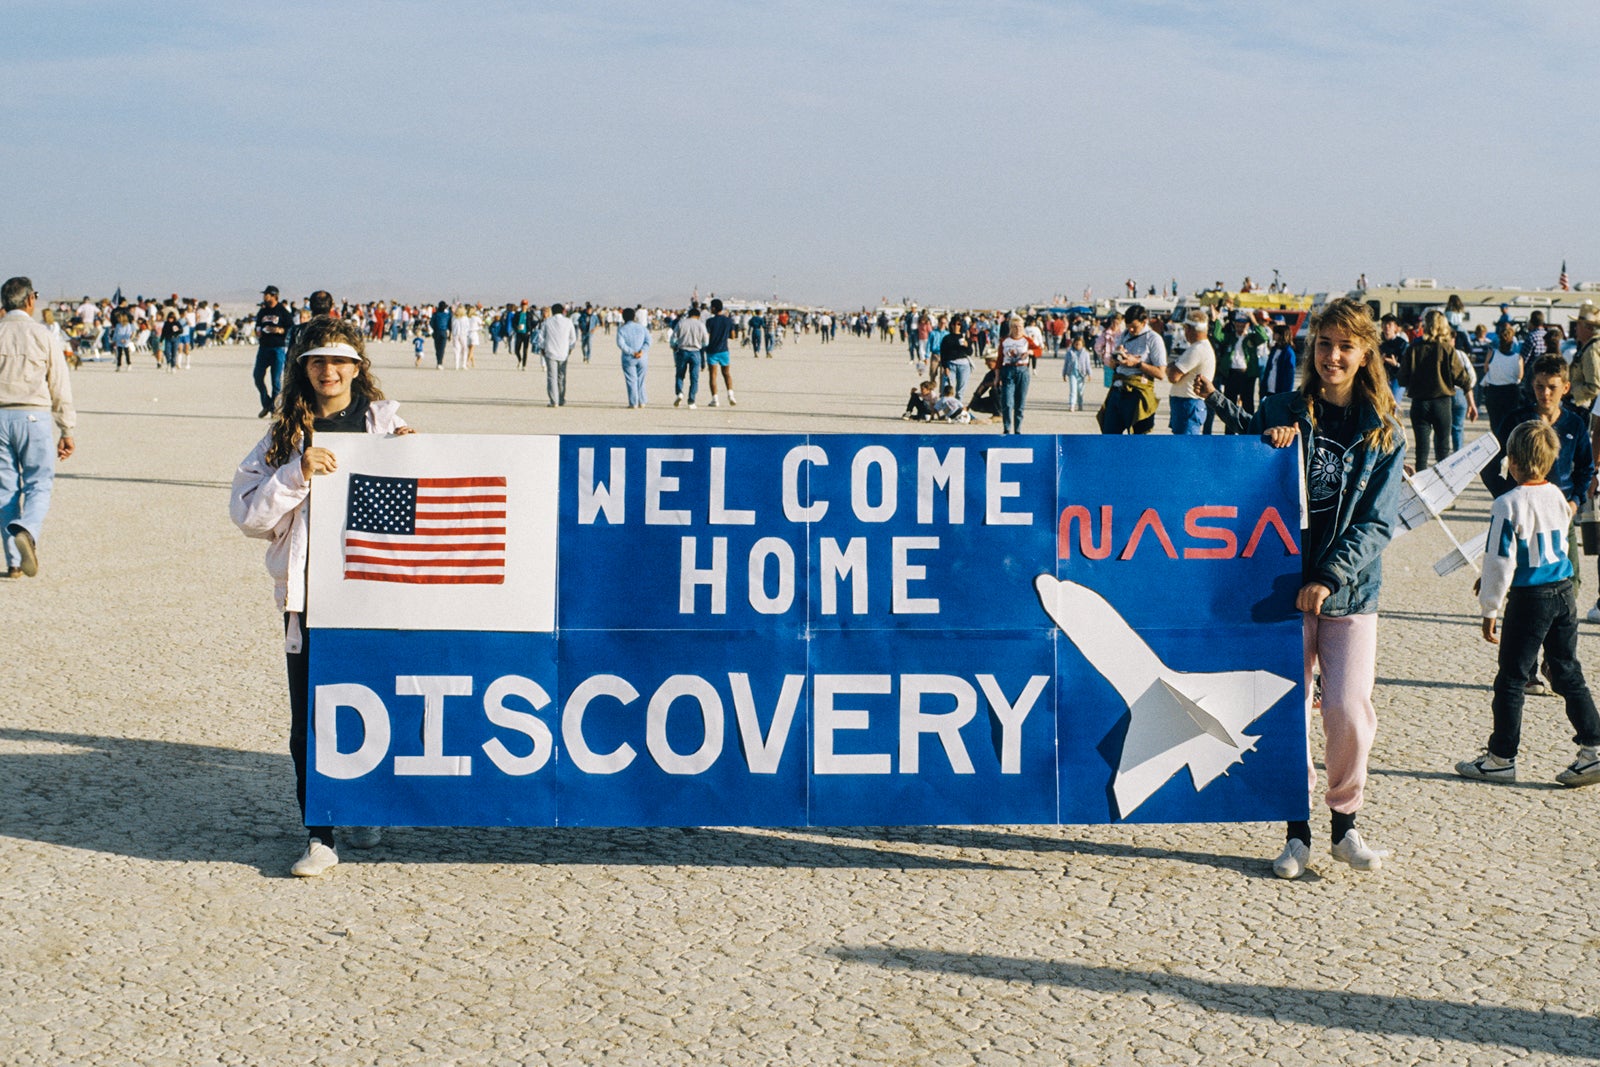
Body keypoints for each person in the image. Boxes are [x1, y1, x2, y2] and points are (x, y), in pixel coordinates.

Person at [1196, 297, 1404, 878]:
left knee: (1347, 709)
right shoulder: (1286, 406)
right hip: (1281, 589)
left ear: (1364, 354)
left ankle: (1345, 824)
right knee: (1289, 711)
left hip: (1348, 592)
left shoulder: (1383, 431)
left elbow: (1378, 522)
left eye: (1345, 346)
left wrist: (1329, 575)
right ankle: (1297, 833)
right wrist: (1256, 430)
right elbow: (1242, 451)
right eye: (1324, 344)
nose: (1332, 356)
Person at [230, 317, 414, 876]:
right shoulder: (284, 435)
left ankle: (365, 805)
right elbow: (248, 516)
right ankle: (321, 831)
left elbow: (414, 518)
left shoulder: (387, 426)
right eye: (316, 360)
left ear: (358, 366)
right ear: (302, 368)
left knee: (379, 701)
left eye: (339, 360)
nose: (328, 371)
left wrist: (414, 459)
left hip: (374, 590)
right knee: (309, 715)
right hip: (311, 596)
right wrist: (295, 472)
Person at [1458, 419, 1600, 788]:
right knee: (1567, 670)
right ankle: (1593, 747)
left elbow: (1499, 560)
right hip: (1563, 589)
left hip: (1529, 598)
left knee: (1511, 678)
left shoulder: (1507, 503)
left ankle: (1501, 757)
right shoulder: (1555, 494)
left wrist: (1490, 607)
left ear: (1513, 462)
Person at [0, 278, 76, 579]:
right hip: (34, 417)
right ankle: (28, 529)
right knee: (39, 483)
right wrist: (67, 429)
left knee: (5, 489)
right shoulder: (42, 335)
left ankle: (14, 562)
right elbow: (59, 384)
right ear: (30, 300)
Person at [1398, 309, 1474, 469]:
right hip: (1442, 403)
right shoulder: (1447, 349)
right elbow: (1462, 379)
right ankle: (1442, 488)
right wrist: (1471, 403)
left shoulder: (1413, 348)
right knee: (1442, 450)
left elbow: (1402, 378)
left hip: (1419, 403)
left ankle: (1419, 489)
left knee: (1422, 451)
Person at [1097, 304, 1166, 435]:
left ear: (1144, 322)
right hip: (1117, 390)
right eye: (1128, 327)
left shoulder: (1153, 339)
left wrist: (1137, 364)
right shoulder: (1124, 335)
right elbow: (1114, 360)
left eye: (1135, 327)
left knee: (1138, 441)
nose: (1131, 330)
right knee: (1108, 437)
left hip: (1137, 394)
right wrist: (1115, 360)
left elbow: (1161, 374)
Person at [1165, 308, 1214, 435]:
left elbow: (1173, 376)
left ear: (1189, 329)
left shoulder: (1197, 349)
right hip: (1186, 404)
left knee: (1186, 447)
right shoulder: (1198, 347)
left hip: (1188, 404)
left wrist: (1170, 368)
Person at [253, 286, 294, 416]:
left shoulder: (282, 311)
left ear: (274, 296)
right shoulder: (263, 311)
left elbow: (290, 327)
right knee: (257, 377)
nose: (265, 297)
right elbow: (258, 325)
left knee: (275, 380)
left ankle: (275, 408)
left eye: (267, 295)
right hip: (264, 347)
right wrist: (258, 331)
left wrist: (280, 330)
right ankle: (267, 404)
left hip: (278, 348)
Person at [994, 315, 1034, 434]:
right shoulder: (1005, 341)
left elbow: (1039, 350)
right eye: (1015, 327)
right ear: (1011, 328)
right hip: (1008, 371)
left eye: (1020, 327)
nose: (1018, 329)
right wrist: (997, 376)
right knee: (1007, 402)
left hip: (1022, 370)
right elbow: (999, 359)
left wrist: (1030, 351)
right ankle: (1007, 428)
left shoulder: (1026, 340)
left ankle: (1018, 430)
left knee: (1020, 402)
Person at [672, 304, 708, 408]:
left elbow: (673, 338)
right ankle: (691, 400)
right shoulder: (701, 325)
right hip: (695, 352)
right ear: (698, 316)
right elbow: (706, 341)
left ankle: (679, 392)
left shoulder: (681, 323)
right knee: (694, 377)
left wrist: (674, 346)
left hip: (682, 350)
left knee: (680, 375)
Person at [540, 302, 576, 407]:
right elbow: (573, 338)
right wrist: (570, 348)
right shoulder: (568, 322)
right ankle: (561, 399)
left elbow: (541, 337)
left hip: (550, 352)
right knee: (561, 376)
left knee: (552, 377)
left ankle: (554, 401)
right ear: (563, 311)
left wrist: (542, 348)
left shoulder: (547, 322)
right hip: (563, 353)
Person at [704, 298, 736, 407]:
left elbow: (707, 337)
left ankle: (715, 399)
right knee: (726, 374)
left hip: (712, 351)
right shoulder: (728, 321)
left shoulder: (710, 321)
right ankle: (730, 394)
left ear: (713, 308)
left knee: (713, 375)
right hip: (724, 350)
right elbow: (733, 336)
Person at [617, 306, 651, 408]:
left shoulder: (622, 329)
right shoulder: (642, 328)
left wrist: (632, 352)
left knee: (631, 380)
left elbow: (621, 344)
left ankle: (633, 403)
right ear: (634, 316)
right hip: (642, 358)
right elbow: (648, 341)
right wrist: (642, 351)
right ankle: (642, 401)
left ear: (623, 317)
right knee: (641, 379)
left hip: (628, 358)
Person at [938, 314, 975, 402]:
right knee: (947, 387)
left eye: (958, 324)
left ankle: (957, 409)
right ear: (951, 325)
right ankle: (947, 409)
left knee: (960, 390)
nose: (956, 326)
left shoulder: (964, 337)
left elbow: (970, 352)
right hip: (951, 365)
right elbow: (943, 354)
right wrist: (945, 367)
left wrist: (967, 345)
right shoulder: (947, 338)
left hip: (964, 365)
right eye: (954, 324)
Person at [1062, 335, 1091, 412]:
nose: (1077, 346)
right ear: (1073, 344)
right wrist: (1064, 373)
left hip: (1081, 374)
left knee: (1080, 391)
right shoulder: (1069, 352)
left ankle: (1080, 404)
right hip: (1072, 373)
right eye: (1076, 344)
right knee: (1073, 390)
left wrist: (1089, 374)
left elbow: (1088, 364)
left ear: (1083, 345)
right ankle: (1072, 405)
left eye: (1079, 344)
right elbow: (1066, 363)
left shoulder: (1085, 353)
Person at [428, 301, 451, 370]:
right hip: (444, 332)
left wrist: (434, 330)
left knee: (437, 348)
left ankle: (439, 362)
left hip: (437, 332)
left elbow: (431, 323)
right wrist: (450, 334)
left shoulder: (435, 314)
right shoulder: (447, 315)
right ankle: (440, 363)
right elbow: (449, 325)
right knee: (442, 348)